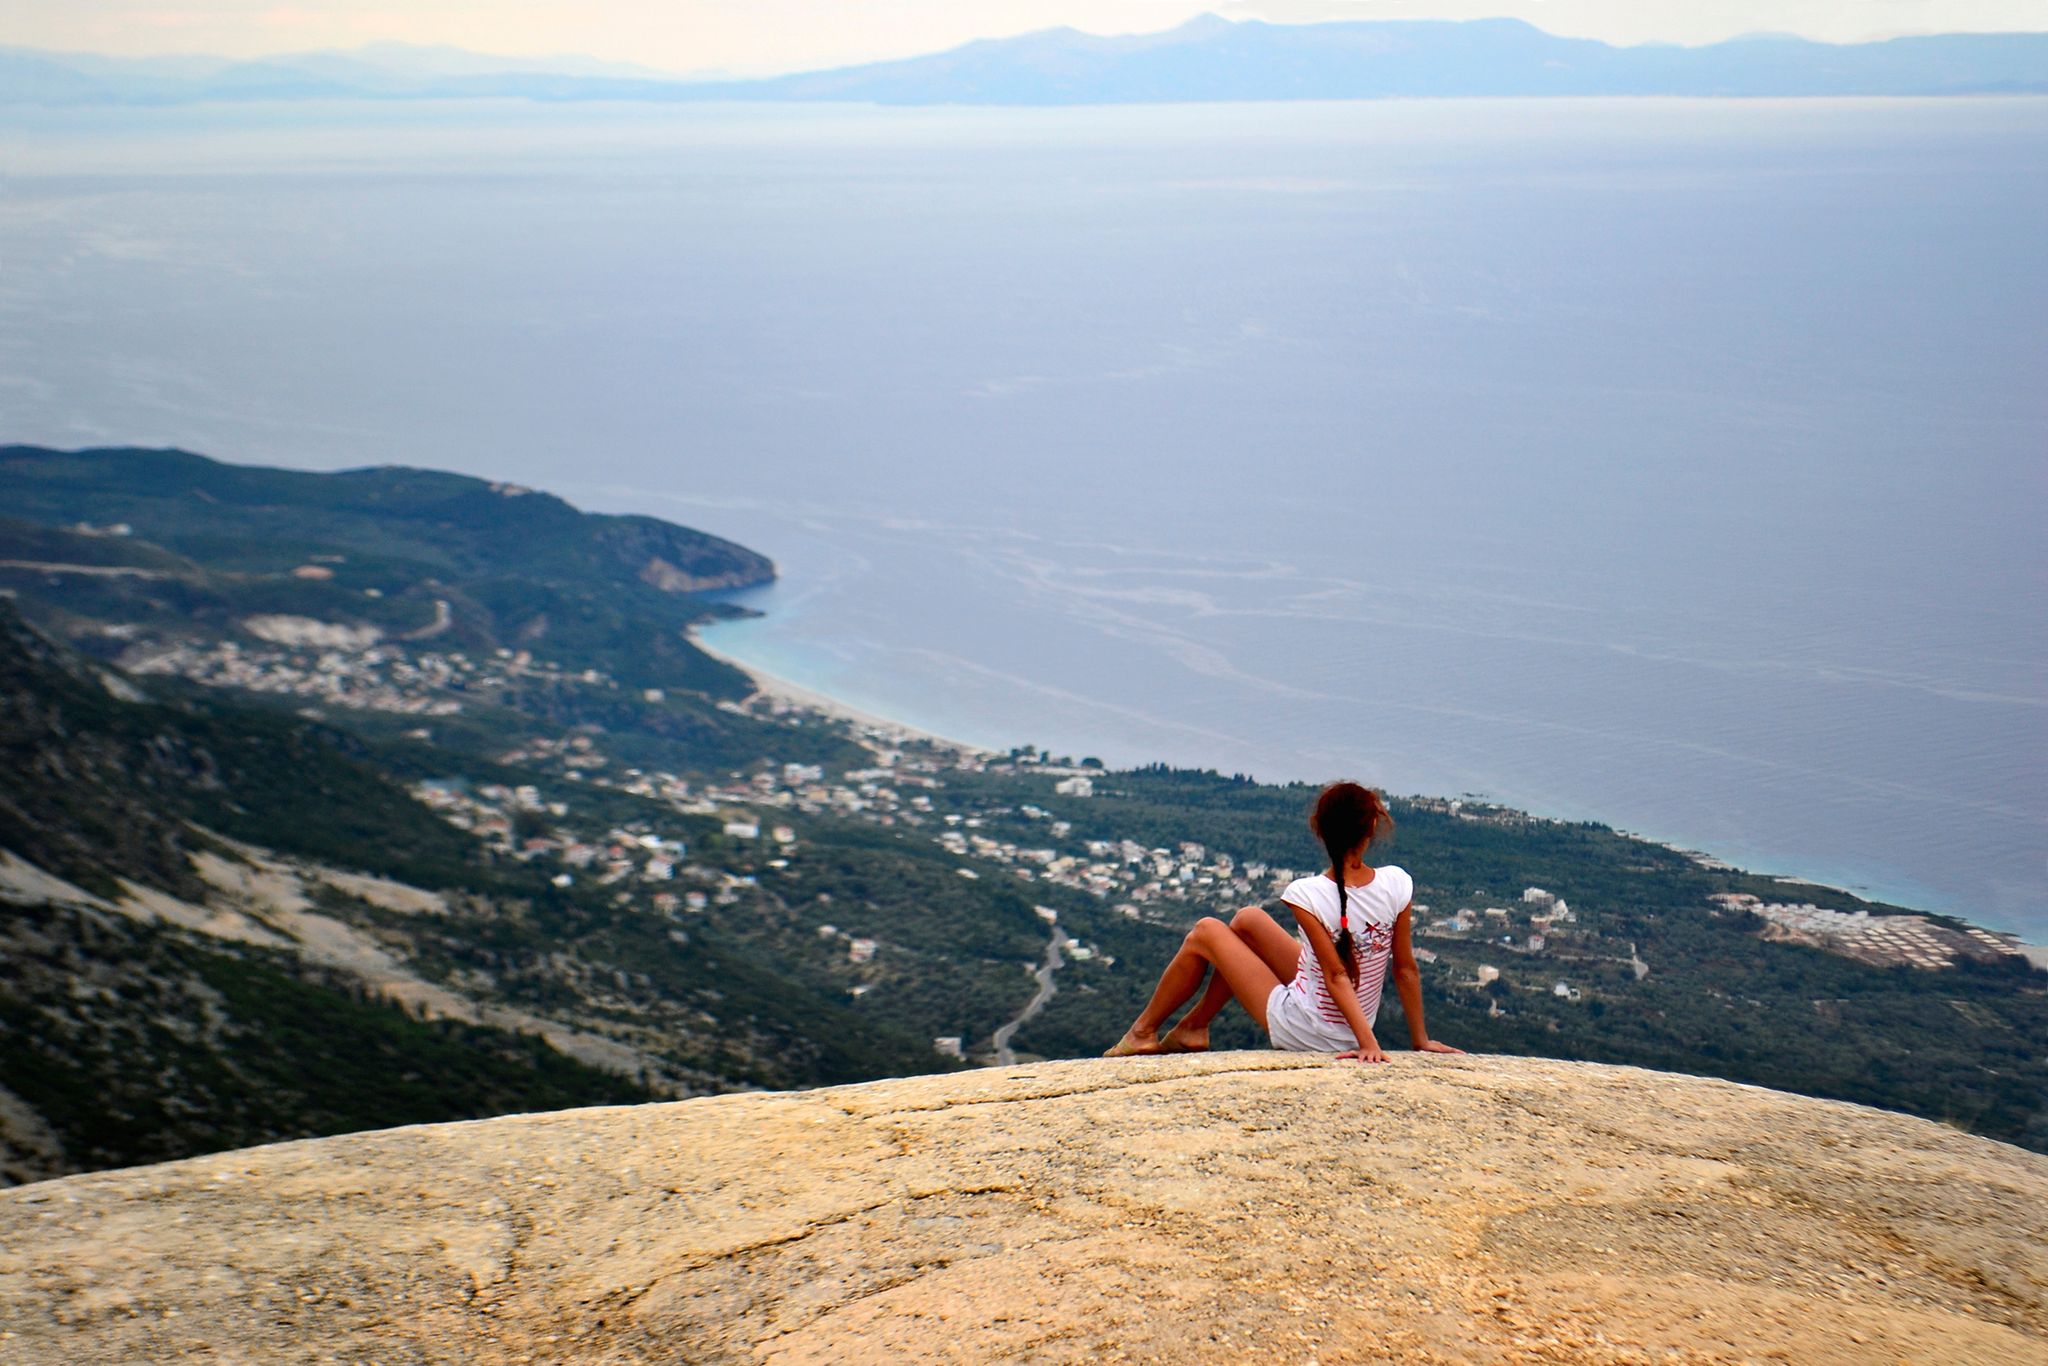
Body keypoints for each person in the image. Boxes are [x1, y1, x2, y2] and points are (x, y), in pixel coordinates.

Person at [1105, 781, 1461, 1062]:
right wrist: (1420, 1040)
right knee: (1246, 920)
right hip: (1353, 1024)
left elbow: (1337, 974)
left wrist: (1370, 1045)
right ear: (1372, 826)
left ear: (1319, 830)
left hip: (1310, 1029)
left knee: (1206, 931)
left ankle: (1142, 1032)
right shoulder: (1398, 882)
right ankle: (1194, 1027)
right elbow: (1405, 969)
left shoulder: (1306, 893)